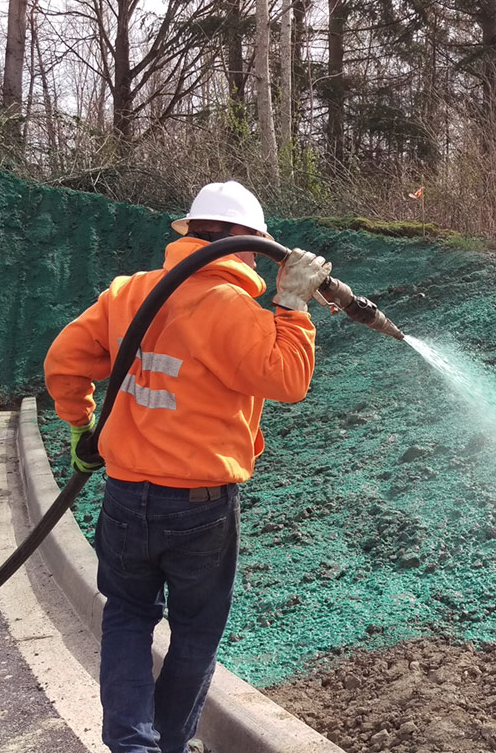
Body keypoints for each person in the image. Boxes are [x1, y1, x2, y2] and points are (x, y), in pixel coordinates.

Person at [44, 180, 331, 753]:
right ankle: (166, 744)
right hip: (200, 506)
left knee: (127, 613)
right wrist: (292, 304)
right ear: (245, 244)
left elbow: (64, 362)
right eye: (255, 247)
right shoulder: (230, 310)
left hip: (126, 495)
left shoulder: (128, 294)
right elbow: (289, 381)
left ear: (192, 234)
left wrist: (83, 429)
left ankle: (131, 744)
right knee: (196, 629)